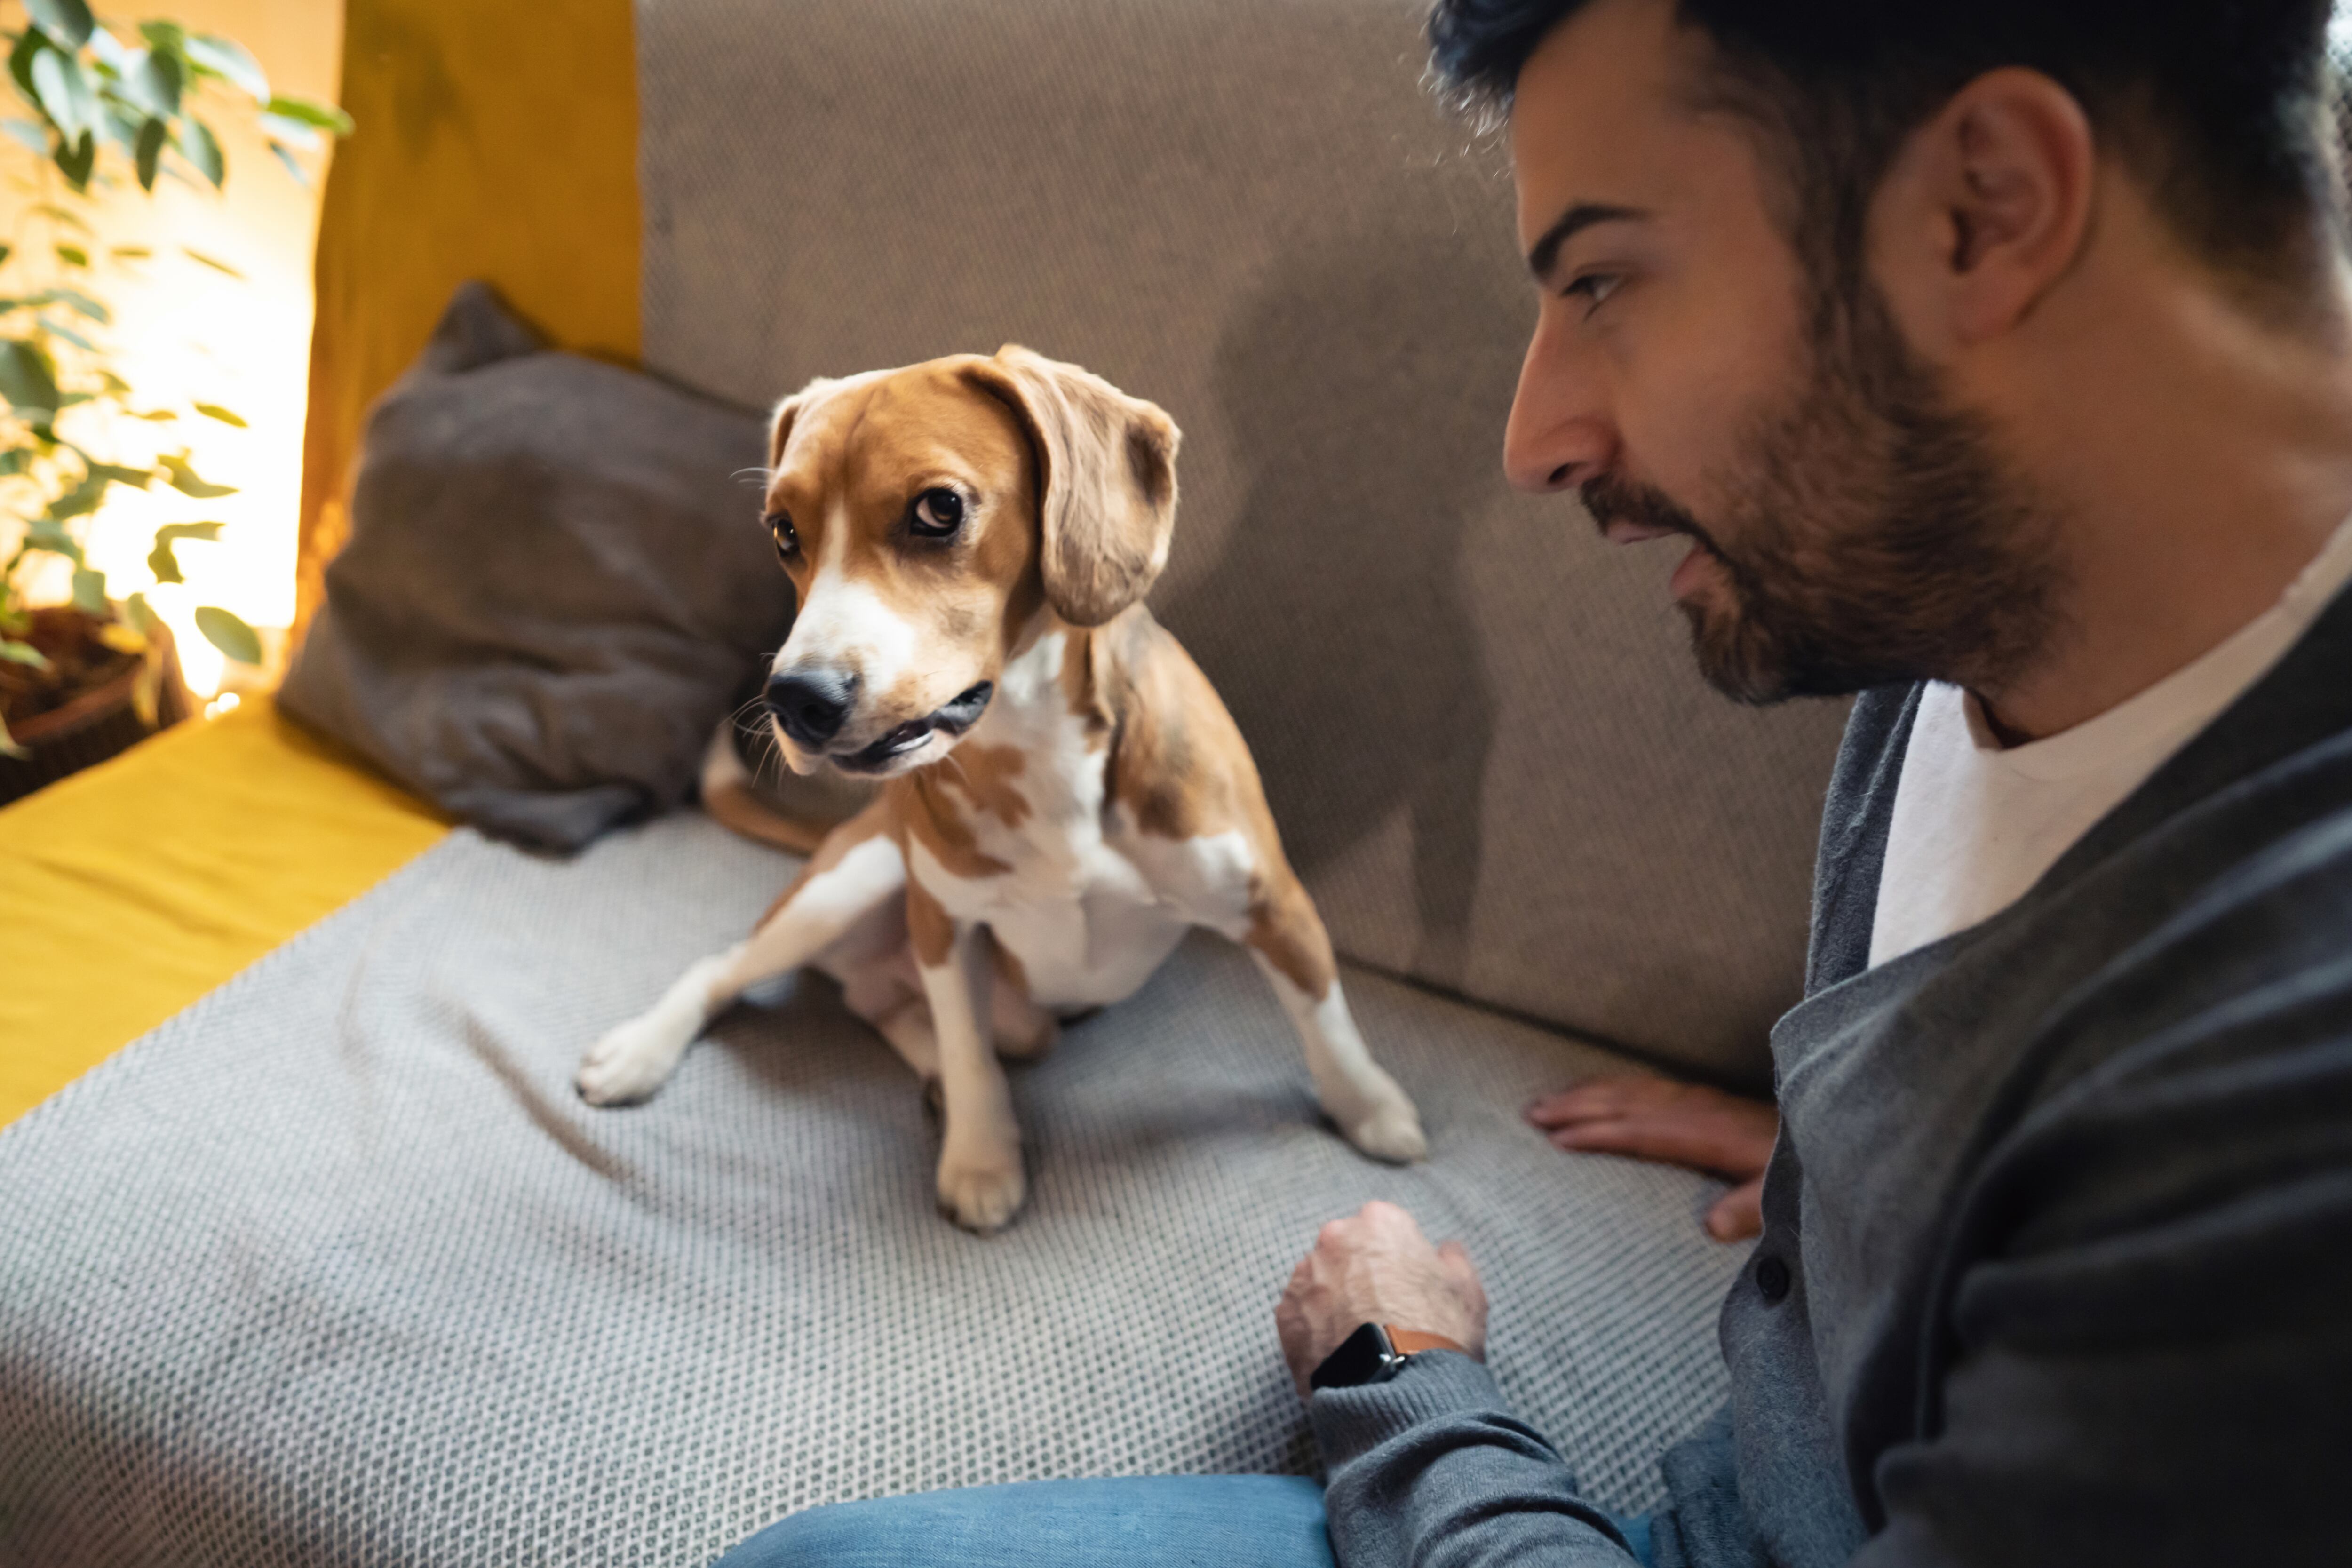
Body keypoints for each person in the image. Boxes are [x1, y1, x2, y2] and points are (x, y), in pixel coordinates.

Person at [719, 0, 2352, 1562]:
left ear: (1988, 210)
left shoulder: (2274, 1138)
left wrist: (1405, 1378)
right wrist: (1880, 1147)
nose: (1533, 437)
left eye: (1606, 280)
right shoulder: (1976, 594)